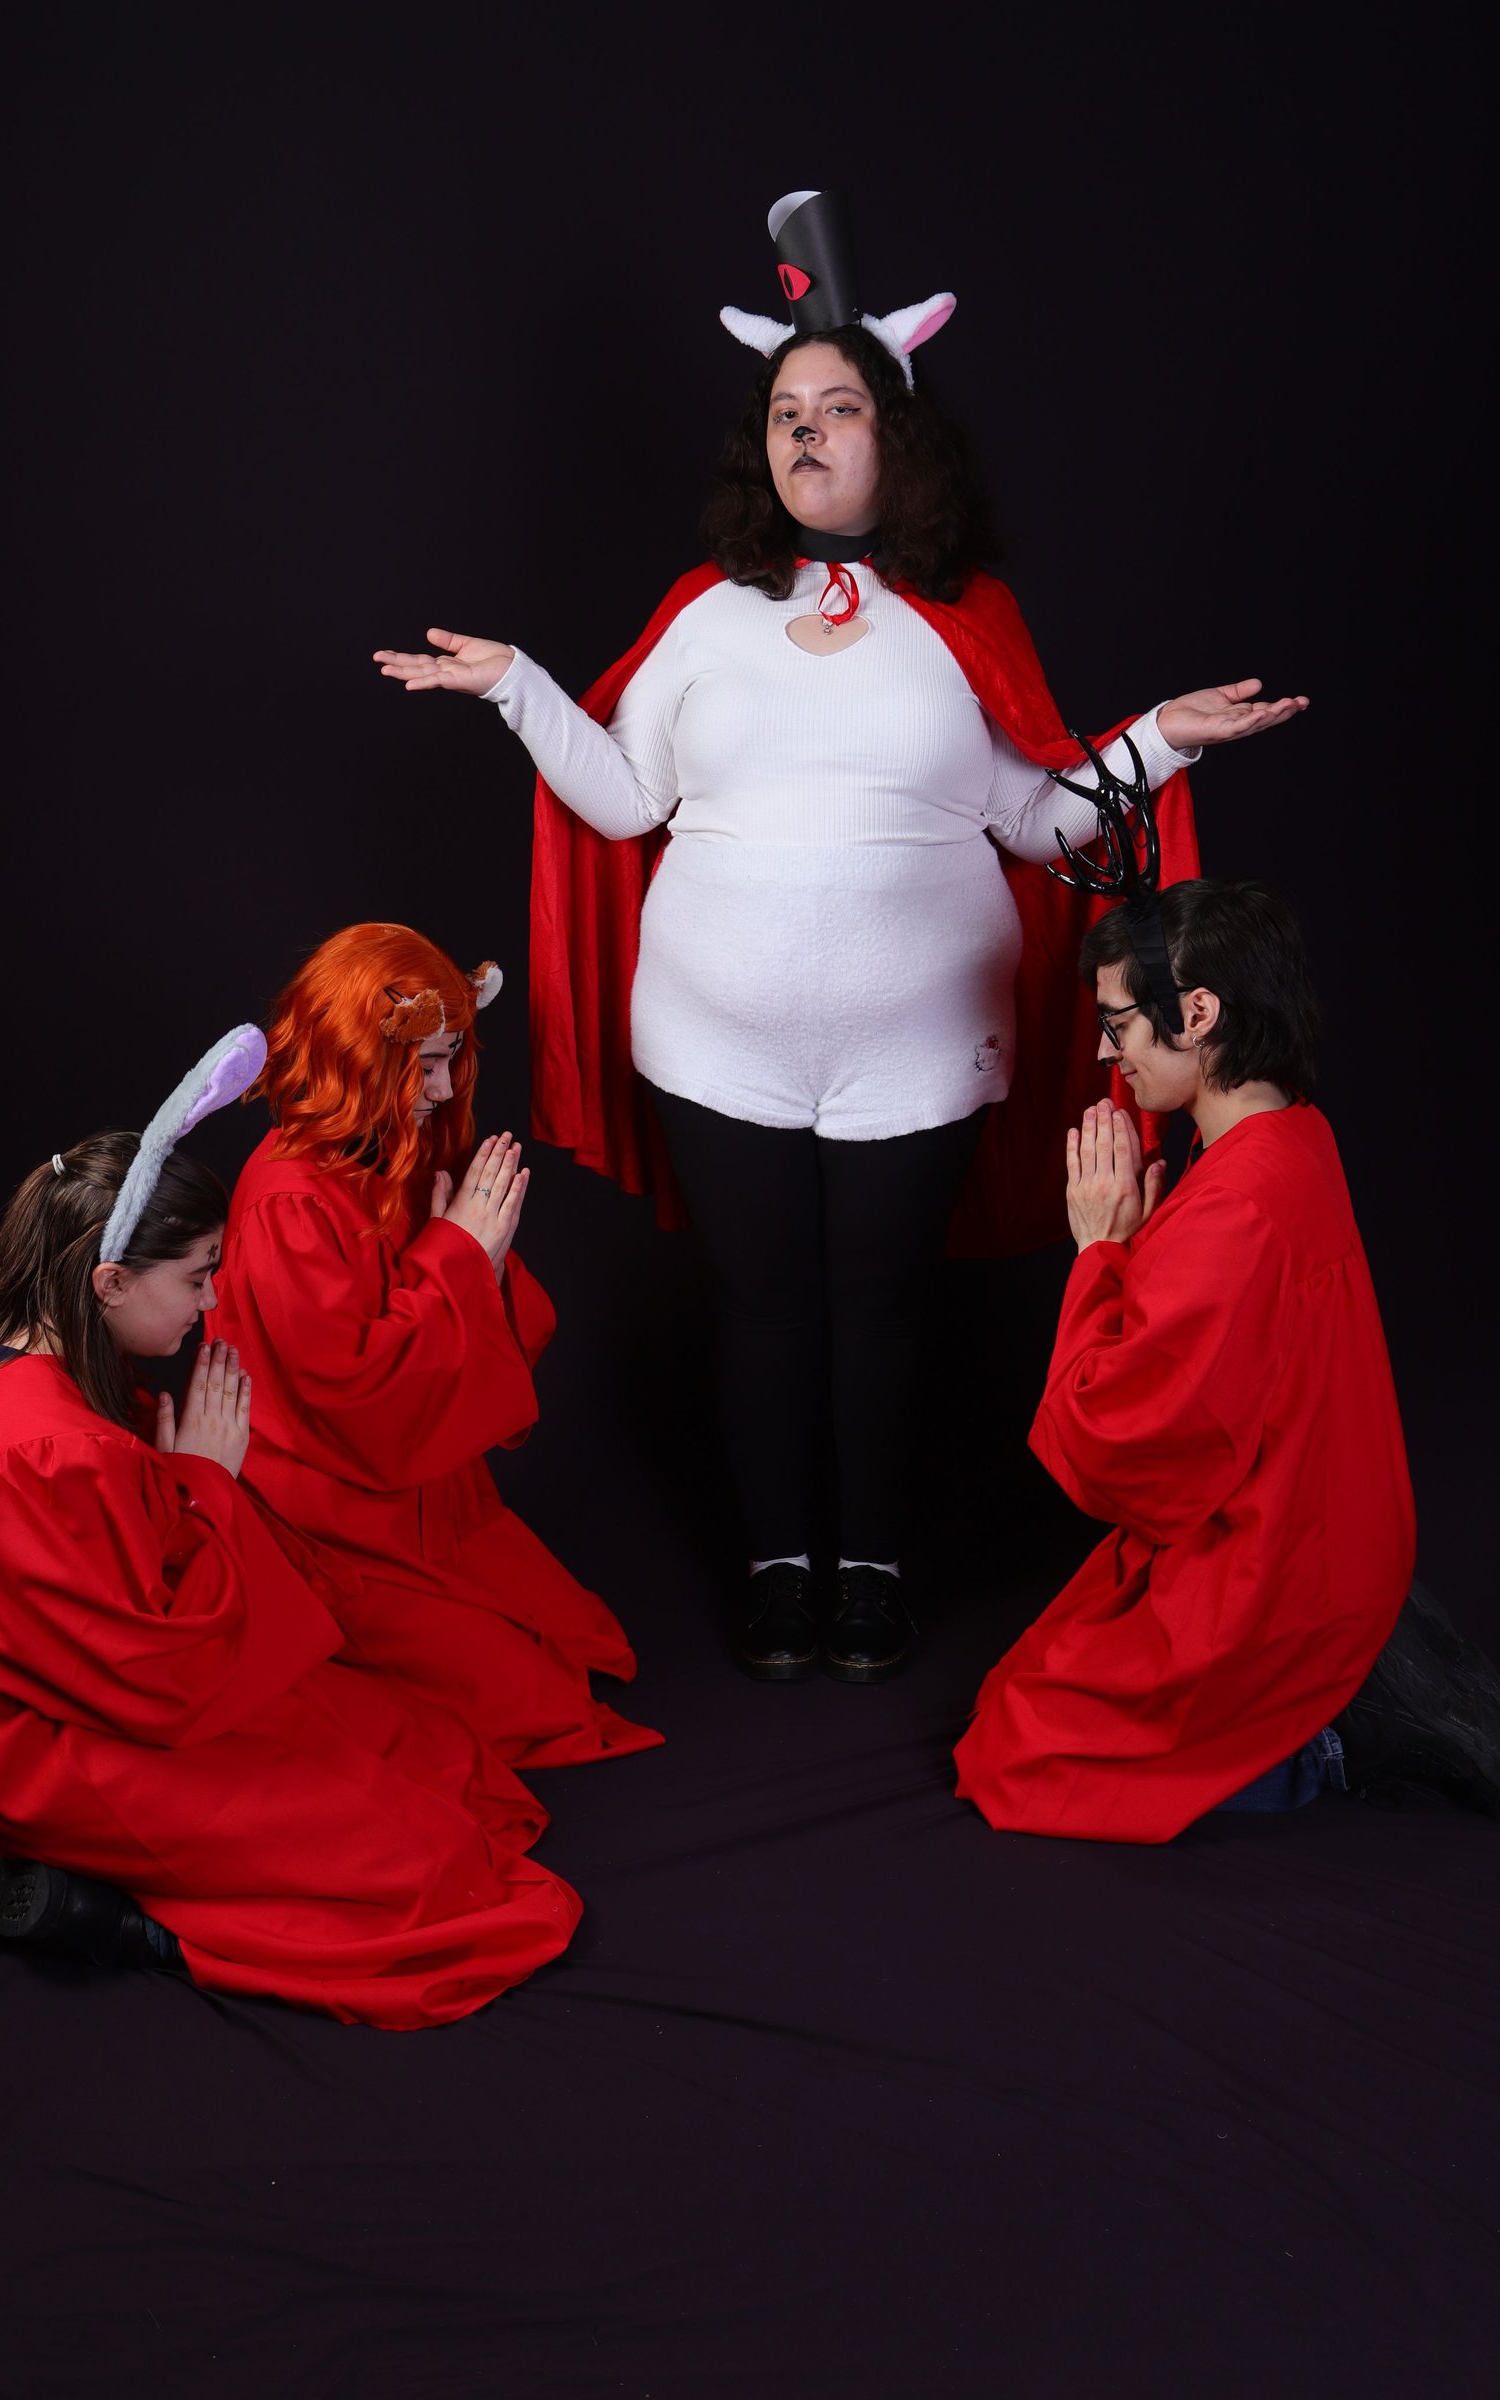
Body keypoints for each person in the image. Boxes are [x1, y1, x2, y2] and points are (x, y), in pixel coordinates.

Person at [373, 186, 1306, 1686]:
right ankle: (774, 1567)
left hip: (920, 1056)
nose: (807, 431)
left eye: (841, 407)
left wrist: (1159, 742)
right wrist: (516, 689)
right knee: (760, 1309)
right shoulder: (705, 615)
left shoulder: (964, 615)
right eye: (785, 412)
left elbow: (1037, 823)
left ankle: (865, 1566)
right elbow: (623, 802)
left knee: (879, 1310)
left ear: (899, 436)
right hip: (713, 1045)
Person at [0, 1034, 582, 2028]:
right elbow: (155, 1669)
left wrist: (186, 1489)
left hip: (103, 1689)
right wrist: (207, 1486)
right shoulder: (38, 1453)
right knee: (440, 1884)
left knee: (438, 1762)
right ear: (109, 1284)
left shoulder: (57, 1380)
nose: (214, 1300)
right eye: (196, 1277)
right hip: (47, 1748)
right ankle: (129, 1926)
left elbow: (118, 1605)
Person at [953, 878, 1500, 1839]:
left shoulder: (1234, 1206)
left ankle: (1322, 1739)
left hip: (1276, 1574)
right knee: (1033, 1692)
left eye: (1118, 1023)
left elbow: (1123, 1454)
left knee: (1015, 1750)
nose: (1105, 1052)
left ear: (1197, 1013)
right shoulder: (1294, 1132)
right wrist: (1148, 1253)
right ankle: (1339, 1685)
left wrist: (1099, 1253)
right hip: (1336, 1540)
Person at [209, 923, 661, 1767]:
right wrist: (461, 1254)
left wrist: (480, 1261)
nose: (446, 1089)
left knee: (582, 1643)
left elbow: (486, 1323)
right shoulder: (286, 1203)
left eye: (452, 1059)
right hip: (334, 1520)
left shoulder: (393, 1152)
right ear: (358, 1057)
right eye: (426, 1065)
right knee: (536, 1708)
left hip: (431, 1500)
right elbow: (355, 1395)